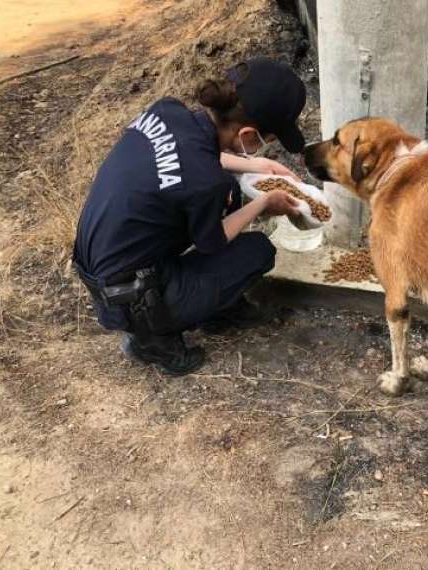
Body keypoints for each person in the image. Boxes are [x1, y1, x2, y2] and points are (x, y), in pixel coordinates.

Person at [73, 57, 306, 376]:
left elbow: (184, 156)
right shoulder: (204, 183)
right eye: (270, 140)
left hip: (99, 266)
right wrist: (265, 202)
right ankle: (152, 340)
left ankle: (198, 304)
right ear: (249, 136)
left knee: (229, 195)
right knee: (256, 251)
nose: (267, 147)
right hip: (130, 297)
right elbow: (213, 242)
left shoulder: (166, 111)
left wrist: (255, 166)